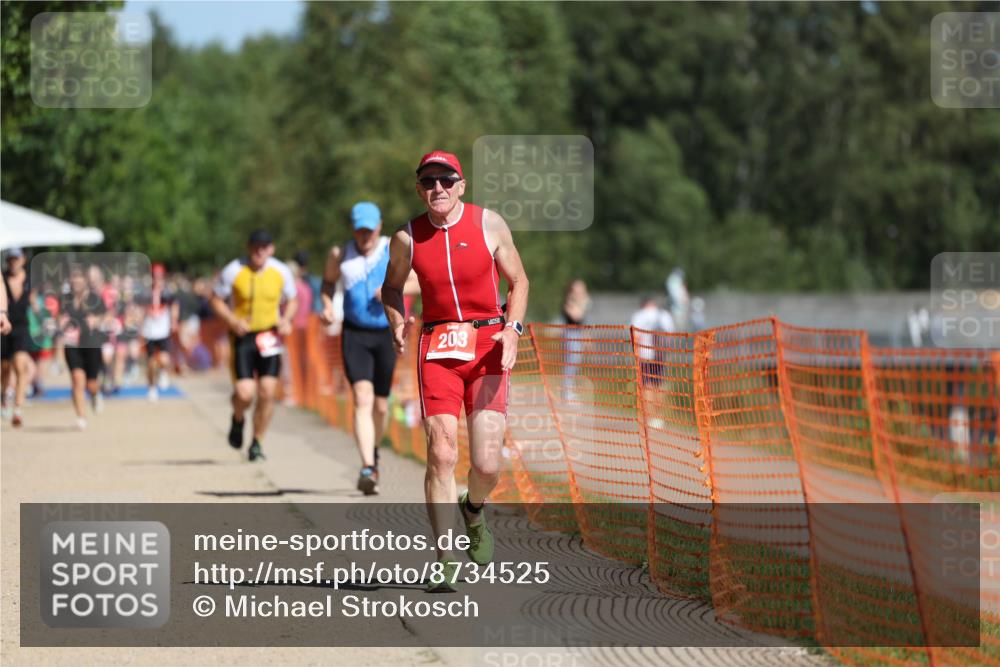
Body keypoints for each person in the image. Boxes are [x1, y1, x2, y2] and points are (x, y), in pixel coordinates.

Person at [382, 151, 529, 591]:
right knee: (441, 452)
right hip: (438, 347)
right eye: (428, 182)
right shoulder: (407, 237)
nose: (438, 188)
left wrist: (513, 330)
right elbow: (390, 287)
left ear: (461, 185)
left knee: (486, 462)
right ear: (418, 189)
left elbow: (519, 281)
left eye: (446, 180)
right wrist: (396, 320)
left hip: (487, 344)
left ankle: (475, 508)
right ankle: (445, 556)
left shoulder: (490, 224)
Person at [320, 202, 418, 496]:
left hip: (387, 333)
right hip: (354, 334)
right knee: (361, 397)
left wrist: (389, 290)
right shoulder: (340, 254)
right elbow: (327, 284)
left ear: (379, 226)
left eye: (370, 230)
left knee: (379, 404)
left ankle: (373, 450)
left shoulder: (393, 248)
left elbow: (420, 282)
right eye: (360, 230)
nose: (365, 236)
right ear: (353, 228)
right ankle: (366, 467)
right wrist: (326, 305)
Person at [211, 229, 298, 461]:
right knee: (245, 393)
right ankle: (238, 417)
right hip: (244, 336)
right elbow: (216, 299)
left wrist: (286, 319)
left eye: (264, 247)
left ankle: (257, 442)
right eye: (255, 246)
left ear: (271, 249)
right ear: (249, 247)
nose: (259, 251)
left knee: (268, 391)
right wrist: (232, 320)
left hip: (270, 336)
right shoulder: (233, 270)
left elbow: (293, 299)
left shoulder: (281, 271)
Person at [60, 266, 107, 430]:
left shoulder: (95, 298)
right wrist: (61, 322)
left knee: (91, 384)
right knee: (76, 379)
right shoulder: (65, 299)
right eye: (73, 277)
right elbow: (59, 317)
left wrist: (97, 320)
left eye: (79, 277)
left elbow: (107, 315)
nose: (76, 281)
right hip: (72, 345)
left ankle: (95, 394)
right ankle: (81, 417)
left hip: (91, 344)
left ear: (85, 281)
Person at [1, 248, 36, 427]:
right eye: (10, 259)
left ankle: (18, 409)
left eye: (16, 258)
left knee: (21, 365)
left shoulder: (29, 280)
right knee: (5, 368)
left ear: (22, 260)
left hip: (21, 328)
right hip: (3, 328)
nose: (13, 262)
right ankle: (4, 395)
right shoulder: (2, 278)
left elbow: (36, 302)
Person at [139, 263, 178, 401]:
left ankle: (163, 372)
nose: (157, 279)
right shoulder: (146, 293)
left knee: (164, 359)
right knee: (150, 363)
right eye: (155, 277)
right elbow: (141, 310)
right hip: (149, 331)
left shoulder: (168, 292)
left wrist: (174, 321)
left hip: (163, 331)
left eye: (159, 277)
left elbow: (174, 306)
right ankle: (151, 387)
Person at [630, 295, 675, 386]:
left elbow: (635, 336)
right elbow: (670, 335)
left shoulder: (639, 315)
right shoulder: (664, 315)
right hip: (660, 354)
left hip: (644, 354)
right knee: (658, 383)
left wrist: (635, 353)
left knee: (645, 383)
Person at [559, 279, 590, 400]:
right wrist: (582, 303)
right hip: (570, 334)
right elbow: (576, 316)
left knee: (575, 362)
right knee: (570, 363)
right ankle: (566, 392)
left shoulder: (582, 301)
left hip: (578, 334)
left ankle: (569, 390)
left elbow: (583, 322)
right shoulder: (569, 301)